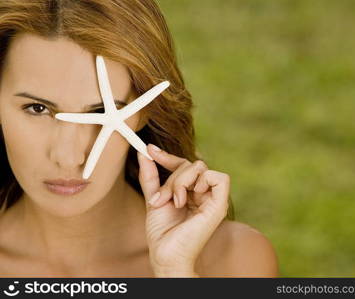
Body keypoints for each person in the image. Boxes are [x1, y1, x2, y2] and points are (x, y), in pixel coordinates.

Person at [0, 0, 278, 277]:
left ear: (144, 111)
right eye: (37, 109)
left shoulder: (234, 259)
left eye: (101, 111)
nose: (70, 157)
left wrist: (175, 272)